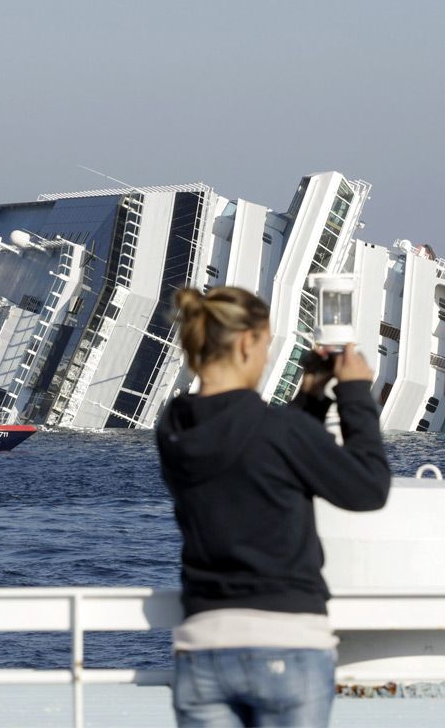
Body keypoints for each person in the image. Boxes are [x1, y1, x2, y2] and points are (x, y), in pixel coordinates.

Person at [155, 287, 390, 728]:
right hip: (289, 642)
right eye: (265, 345)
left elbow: (257, 445)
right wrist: (355, 393)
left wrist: (313, 396)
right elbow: (367, 488)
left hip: (203, 647)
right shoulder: (278, 431)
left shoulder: (172, 428)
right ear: (247, 342)